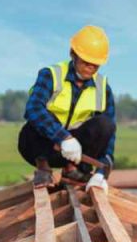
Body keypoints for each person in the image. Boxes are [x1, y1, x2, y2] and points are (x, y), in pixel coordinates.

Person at [18, 25, 116, 191]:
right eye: (86, 61)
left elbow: (109, 134)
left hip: (77, 155)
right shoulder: (51, 75)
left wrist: (101, 172)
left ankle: (74, 172)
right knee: (39, 118)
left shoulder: (103, 87)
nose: (90, 67)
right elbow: (33, 108)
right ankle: (43, 168)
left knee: (105, 124)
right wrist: (63, 138)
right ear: (73, 54)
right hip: (42, 147)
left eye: (96, 64)